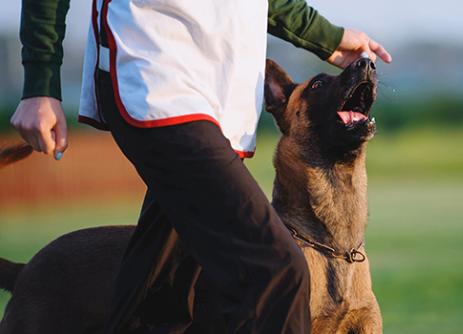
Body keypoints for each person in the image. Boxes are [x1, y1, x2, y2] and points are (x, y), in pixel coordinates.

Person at [11, 0, 392, 333]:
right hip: (154, 83)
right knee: (275, 269)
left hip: (216, 103)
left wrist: (328, 36)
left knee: (163, 297)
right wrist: (40, 83)